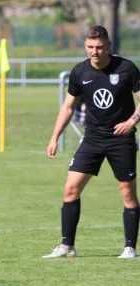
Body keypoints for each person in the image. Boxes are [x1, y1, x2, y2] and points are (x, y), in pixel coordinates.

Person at [44, 25, 140, 259]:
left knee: (127, 192)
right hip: (93, 138)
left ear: (108, 45)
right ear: (85, 46)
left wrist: (131, 121)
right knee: (71, 188)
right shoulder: (80, 72)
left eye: (99, 47)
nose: (94, 52)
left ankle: (130, 248)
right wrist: (54, 137)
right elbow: (68, 107)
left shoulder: (126, 68)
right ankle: (67, 246)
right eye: (90, 47)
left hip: (121, 139)